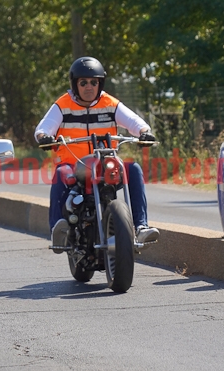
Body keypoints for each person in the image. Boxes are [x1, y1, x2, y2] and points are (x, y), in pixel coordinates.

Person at [34, 56, 160, 246]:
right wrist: (44, 136)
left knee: (133, 169)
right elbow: (44, 127)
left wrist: (144, 131)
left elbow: (134, 121)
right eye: (83, 82)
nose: (89, 87)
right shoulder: (62, 105)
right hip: (74, 165)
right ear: (75, 84)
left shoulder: (110, 104)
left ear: (100, 83)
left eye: (94, 82)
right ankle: (58, 229)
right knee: (60, 173)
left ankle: (141, 227)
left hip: (106, 164)